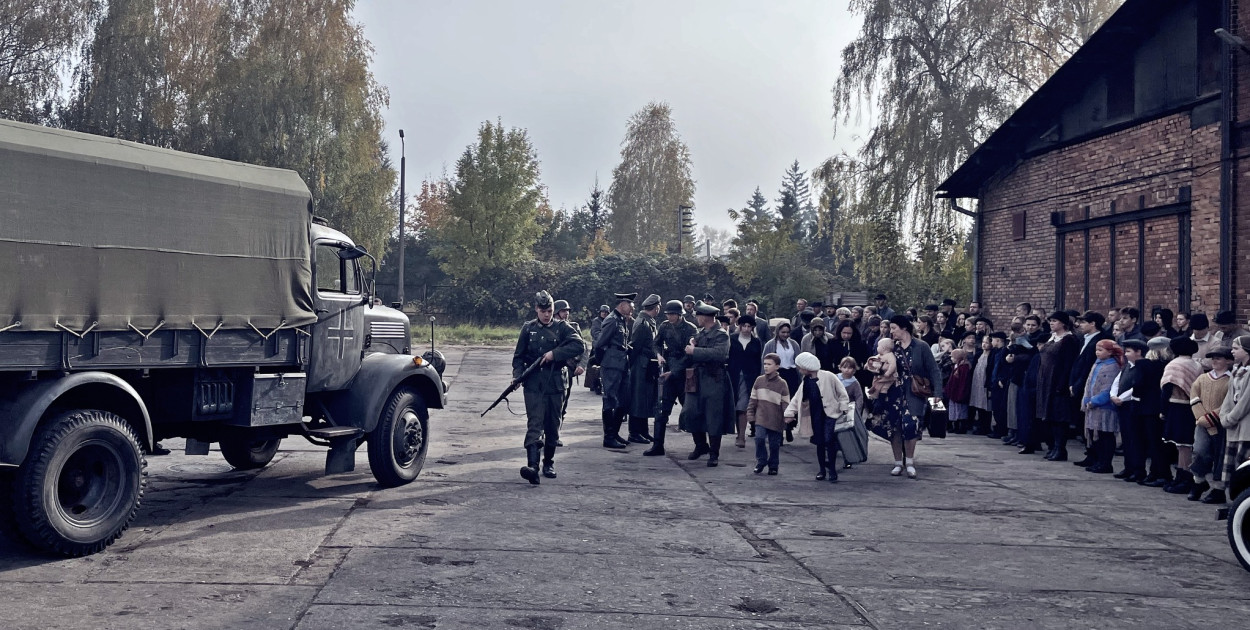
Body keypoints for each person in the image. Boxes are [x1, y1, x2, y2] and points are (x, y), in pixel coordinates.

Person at [512, 291, 585, 484]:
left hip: (556, 384)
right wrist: (517, 376)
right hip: (534, 384)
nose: (547, 314)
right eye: (543, 310)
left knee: (553, 426)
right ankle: (532, 467)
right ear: (536, 309)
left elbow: (579, 346)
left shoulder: (562, 327)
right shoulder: (528, 329)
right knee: (534, 424)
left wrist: (555, 353)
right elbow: (518, 357)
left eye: (550, 310)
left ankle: (548, 462)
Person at [887, 315, 943, 478]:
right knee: (895, 426)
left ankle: (909, 462)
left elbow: (934, 370)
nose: (891, 332)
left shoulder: (921, 346)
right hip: (894, 391)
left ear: (904, 328)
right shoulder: (892, 347)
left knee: (911, 425)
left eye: (893, 328)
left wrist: (938, 393)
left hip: (915, 391)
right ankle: (898, 463)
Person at [680, 302, 733, 466]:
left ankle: (714, 453)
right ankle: (701, 445)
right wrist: (692, 347)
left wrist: (694, 351)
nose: (696, 319)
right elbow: (690, 353)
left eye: (698, 316)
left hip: (714, 379)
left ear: (704, 317)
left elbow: (719, 354)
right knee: (691, 412)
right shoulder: (700, 333)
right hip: (697, 378)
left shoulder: (721, 334)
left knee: (713, 416)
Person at [785, 351, 851, 482]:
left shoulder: (828, 376)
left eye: (800, 367)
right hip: (815, 415)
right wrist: (789, 413)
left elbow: (842, 392)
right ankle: (822, 469)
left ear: (806, 366)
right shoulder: (806, 382)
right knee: (820, 442)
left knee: (829, 440)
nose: (798, 369)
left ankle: (831, 468)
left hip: (830, 414)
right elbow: (797, 399)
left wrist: (843, 407)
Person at [1111, 339, 1164, 484]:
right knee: (1128, 439)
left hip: (1134, 405)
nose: (1126, 354)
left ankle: (1139, 469)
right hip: (1125, 405)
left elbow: (1137, 386)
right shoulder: (1127, 366)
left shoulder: (1144, 366)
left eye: (1128, 351)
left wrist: (1122, 398)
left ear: (1139, 352)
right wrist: (1113, 395)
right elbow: (1118, 381)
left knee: (1137, 440)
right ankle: (1129, 467)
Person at [649, 300, 697, 456]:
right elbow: (656, 343)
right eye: (668, 314)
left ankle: (701, 444)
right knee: (662, 409)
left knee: (690, 410)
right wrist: (658, 355)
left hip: (684, 374)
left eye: (672, 314)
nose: (669, 317)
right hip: (668, 369)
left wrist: (674, 371)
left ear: (679, 314)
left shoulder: (690, 329)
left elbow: (689, 355)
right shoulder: (664, 326)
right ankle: (657, 445)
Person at [1160, 336, 1204, 494]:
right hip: (1191, 406)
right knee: (1185, 443)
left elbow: (1166, 388)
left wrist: (1163, 410)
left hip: (1176, 406)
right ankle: (1183, 475)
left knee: (1182, 445)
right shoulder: (1196, 365)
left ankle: (1184, 476)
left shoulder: (1174, 365)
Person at [1190, 347, 1234, 503]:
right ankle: (1199, 481)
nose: (1214, 361)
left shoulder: (1231, 380)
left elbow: (1229, 402)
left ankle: (1218, 488)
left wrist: (1212, 418)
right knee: (1200, 450)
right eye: (1213, 358)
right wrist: (1202, 418)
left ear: (1228, 361)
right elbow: (1194, 397)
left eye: (1219, 358)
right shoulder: (1202, 378)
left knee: (1220, 455)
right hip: (1202, 423)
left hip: (1223, 424)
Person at [592, 292, 635, 449]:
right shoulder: (611, 320)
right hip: (611, 365)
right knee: (610, 398)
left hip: (622, 364)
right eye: (630, 306)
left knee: (623, 399)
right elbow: (600, 343)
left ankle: (615, 433)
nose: (632, 309)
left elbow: (621, 342)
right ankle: (608, 437)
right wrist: (604, 361)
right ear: (622, 304)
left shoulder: (621, 320)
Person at [1037, 311, 1081, 461]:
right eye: (1050, 321)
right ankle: (1053, 447)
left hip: (1057, 383)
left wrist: (1062, 384)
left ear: (1063, 323)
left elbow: (1068, 364)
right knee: (1049, 417)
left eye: (1054, 321)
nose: (1051, 323)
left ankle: (1060, 448)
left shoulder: (1069, 340)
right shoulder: (1052, 338)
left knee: (1059, 417)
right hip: (1046, 381)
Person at [1080, 339, 1123, 474]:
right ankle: (1097, 461)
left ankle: (1105, 463)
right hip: (1092, 405)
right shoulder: (1097, 364)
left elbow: (1108, 387)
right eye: (1096, 350)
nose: (1097, 353)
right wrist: (1087, 399)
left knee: (1105, 435)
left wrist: (1096, 400)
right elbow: (1090, 383)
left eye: (1100, 350)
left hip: (1105, 406)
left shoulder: (1113, 366)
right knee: (1094, 434)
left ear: (1110, 352)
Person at [627, 294, 662, 445]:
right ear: (657, 307)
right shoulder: (642, 324)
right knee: (638, 399)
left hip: (647, 365)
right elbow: (636, 347)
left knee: (645, 399)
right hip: (641, 365)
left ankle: (643, 431)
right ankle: (634, 432)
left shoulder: (648, 321)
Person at [747, 353, 790, 475]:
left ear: (777, 366)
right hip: (761, 417)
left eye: (769, 364)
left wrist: (787, 417)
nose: (766, 367)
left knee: (774, 444)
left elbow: (786, 402)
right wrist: (750, 414)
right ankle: (761, 460)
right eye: (764, 364)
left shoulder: (782, 384)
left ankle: (773, 465)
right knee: (759, 438)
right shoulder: (759, 380)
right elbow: (753, 399)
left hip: (776, 418)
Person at [1219, 335, 1250, 497]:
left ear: (1247, 351)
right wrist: (1224, 415)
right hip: (1233, 425)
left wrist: (1231, 417)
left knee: (1242, 461)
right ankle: (1231, 494)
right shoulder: (1236, 370)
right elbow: (1229, 396)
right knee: (1230, 462)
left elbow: (1246, 401)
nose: (1232, 351)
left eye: (1236, 348)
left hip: (1245, 424)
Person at [553, 300, 586, 445]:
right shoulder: (550, 327)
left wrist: (582, 365)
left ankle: (555, 435)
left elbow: (584, 347)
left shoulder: (573, 327)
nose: (566, 313)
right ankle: (541, 434)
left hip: (567, 372)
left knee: (562, 404)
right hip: (550, 371)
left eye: (567, 311)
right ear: (556, 313)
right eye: (563, 311)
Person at [763, 321, 801, 442]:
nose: (785, 334)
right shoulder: (771, 344)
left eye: (787, 332)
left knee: (790, 403)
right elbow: (765, 361)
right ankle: (778, 431)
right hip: (777, 374)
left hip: (791, 375)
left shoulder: (793, 344)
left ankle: (789, 427)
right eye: (783, 332)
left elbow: (798, 360)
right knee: (777, 404)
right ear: (777, 332)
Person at [729, 314, 763, 448]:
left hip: (749, 378)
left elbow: (758, 362)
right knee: (735, 406)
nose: (746, 329)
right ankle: (738, 434)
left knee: (742, 406)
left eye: (749, 326)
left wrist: (758, 378)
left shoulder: (756, 342)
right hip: (733, 376)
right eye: (744, 326)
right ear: (740, 326)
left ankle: (741, 436)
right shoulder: (732, 339)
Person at [946, 348, 972, 434]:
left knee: (961, 410)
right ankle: (955, 425)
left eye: (953, 357)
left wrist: (962, 392)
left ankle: (962, 427)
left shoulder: (964, 367)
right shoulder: (956, 366)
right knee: (954, 410)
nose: (951, 359)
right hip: (954, 391)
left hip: (959, 392)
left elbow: (963, 381)